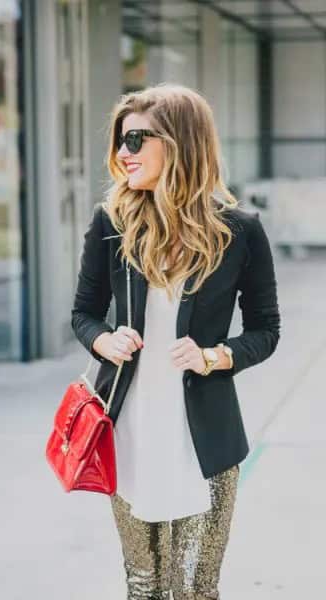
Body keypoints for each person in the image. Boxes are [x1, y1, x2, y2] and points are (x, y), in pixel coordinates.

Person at [71, 83, 281, 599]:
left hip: (203, 443)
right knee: (143, 585)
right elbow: (83, 314)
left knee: (192, 588)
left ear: (181, 142)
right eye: (121, 140)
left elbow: (267, 330)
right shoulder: (111, 223)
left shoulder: (240, 232)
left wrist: (217, 355)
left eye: (138, 139)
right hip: (128, 436)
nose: (123, 152)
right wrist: (104, 341)